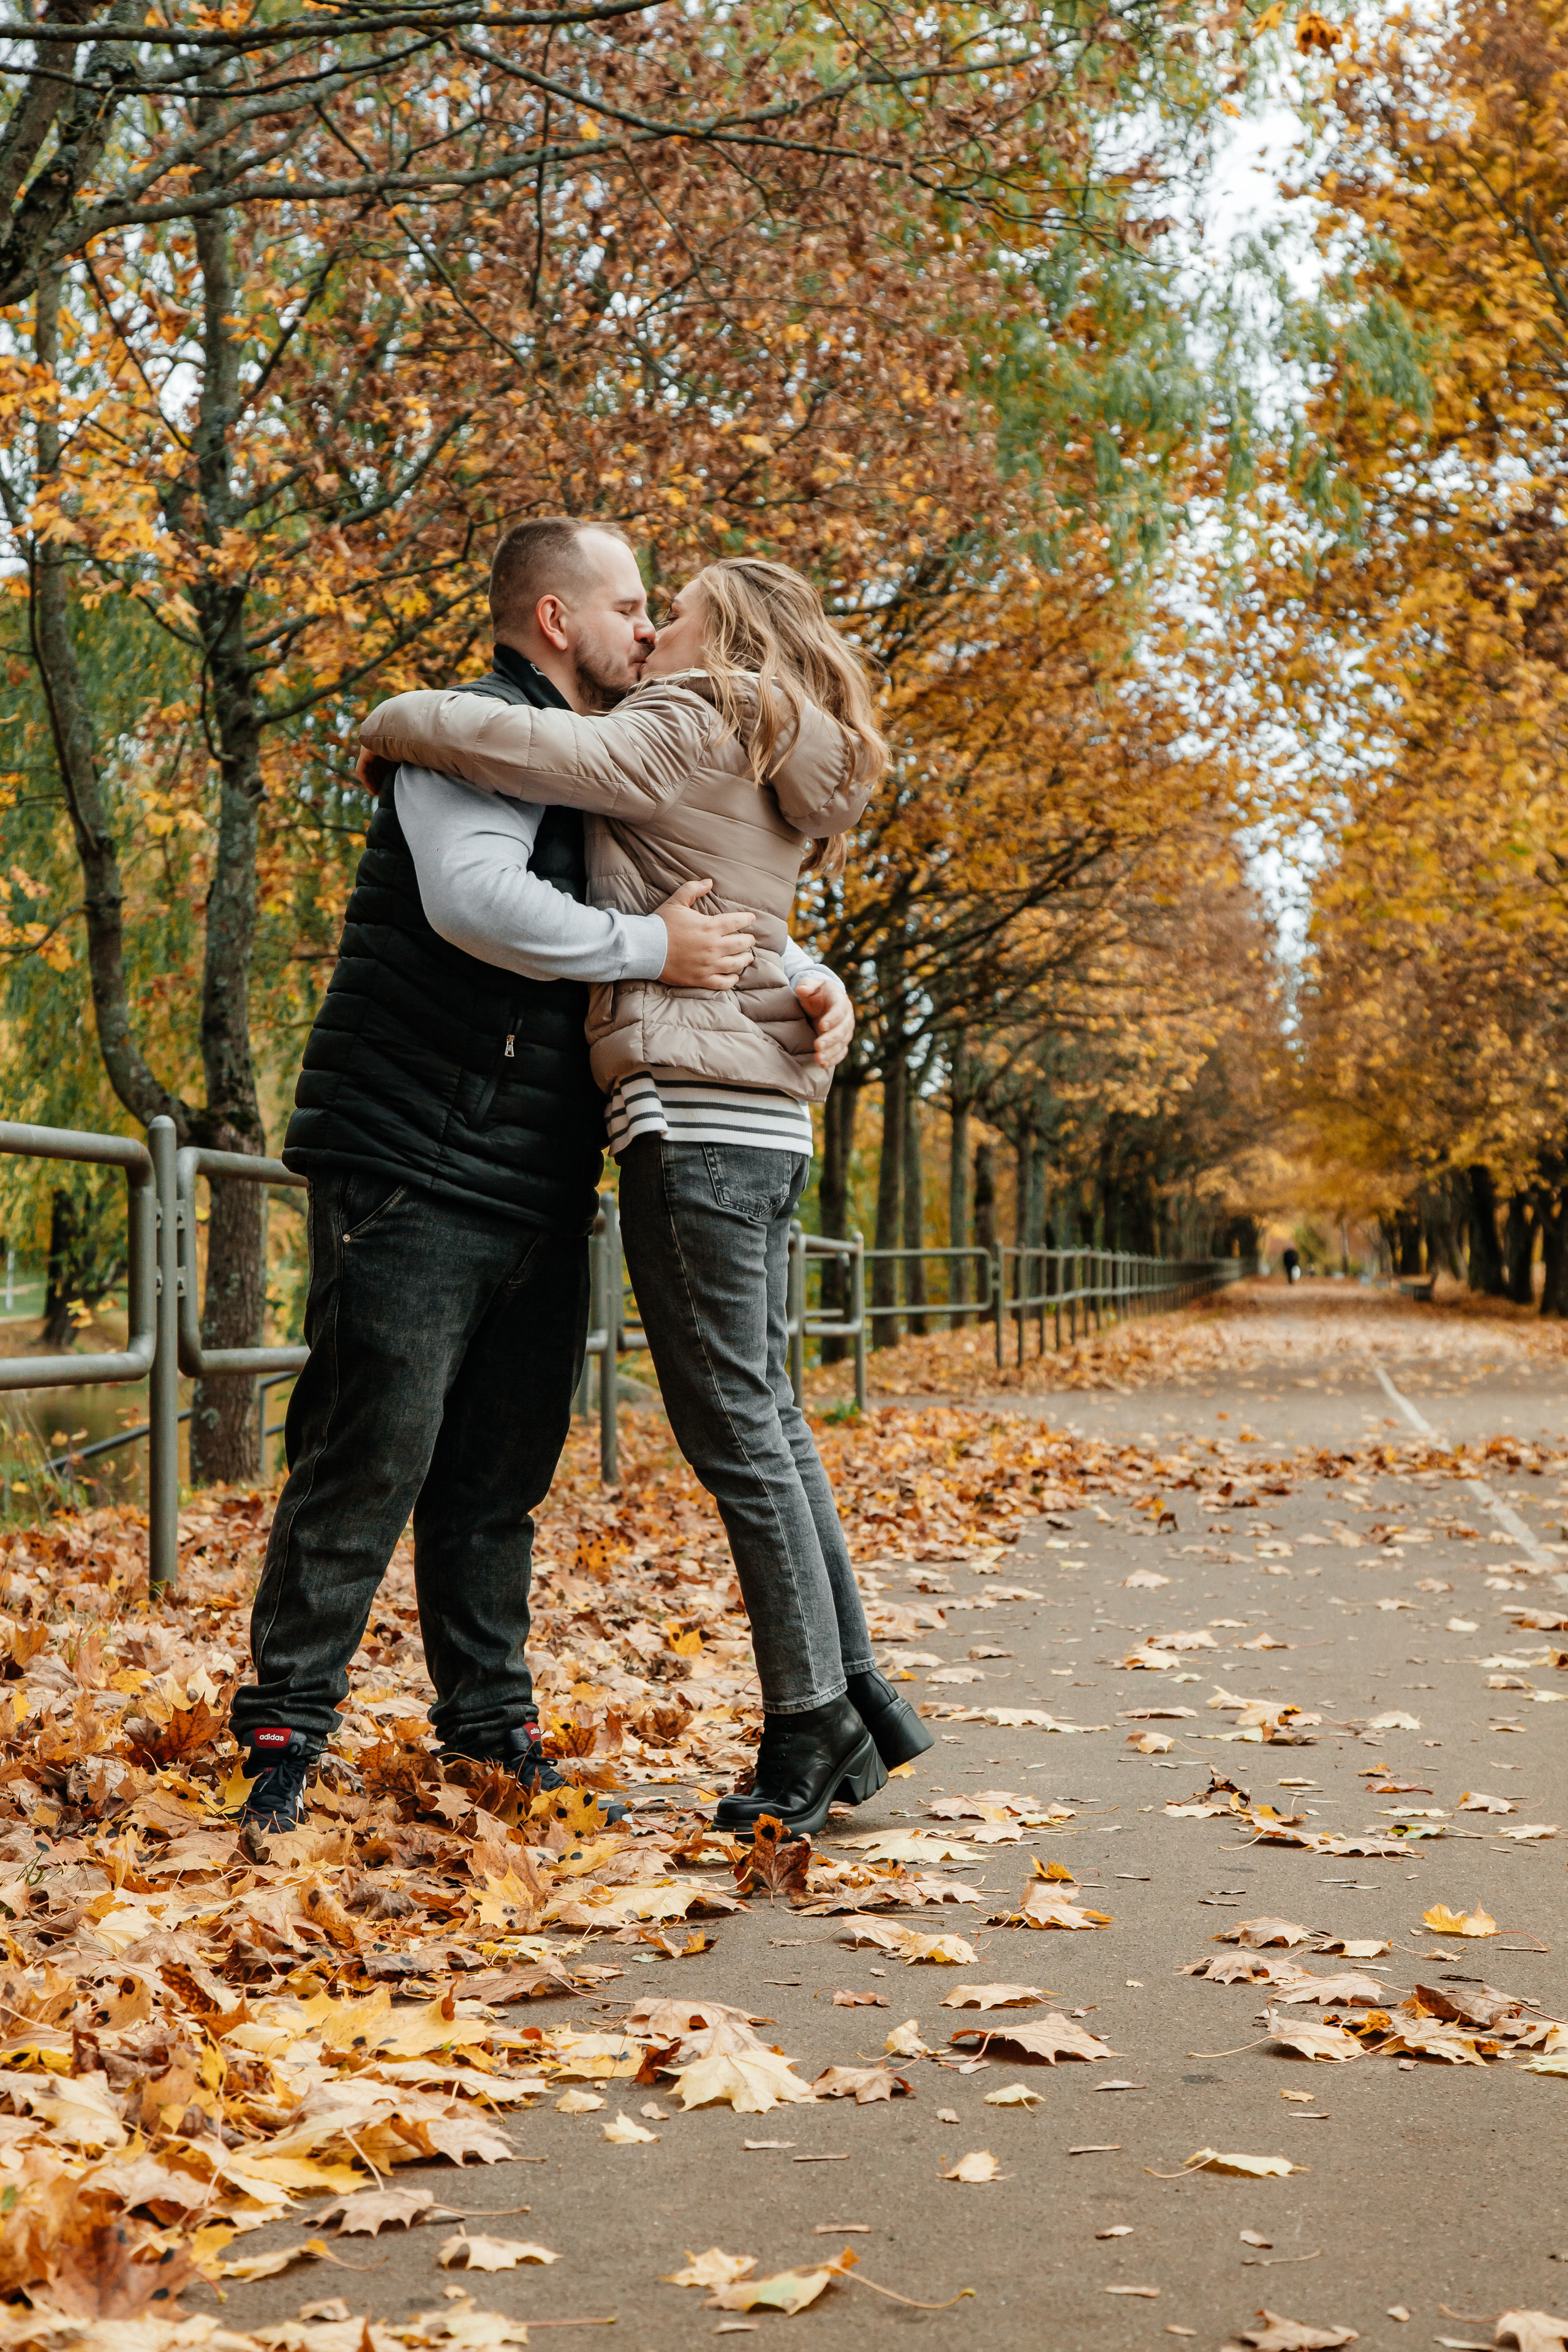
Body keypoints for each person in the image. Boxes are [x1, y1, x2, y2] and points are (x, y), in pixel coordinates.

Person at [230, 517, 855, 1833]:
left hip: (542, 1170)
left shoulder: (622, 758)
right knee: (368, 1452)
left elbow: (720, 890)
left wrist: (808, 978)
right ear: (557, 620)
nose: (650, 626)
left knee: (501, 1474)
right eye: (630, 605)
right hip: (412, 1149)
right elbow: (473, 901)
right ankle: (285, 1728)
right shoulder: (474, 738)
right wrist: (650, 950)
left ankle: (490, 1728)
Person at [361, 556, 935, 1838]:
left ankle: (809, 1719)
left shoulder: (698, 709)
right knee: (770, 1416)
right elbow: (754, 914)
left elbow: (537, 747)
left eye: (668, 613)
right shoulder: (781, 749)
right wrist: (822, 983)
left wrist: (396, 718)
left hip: (694, 1112)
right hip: (765, 1116)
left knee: (734, 1431)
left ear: (724, 633)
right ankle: (855, 1693)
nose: (651, 629)